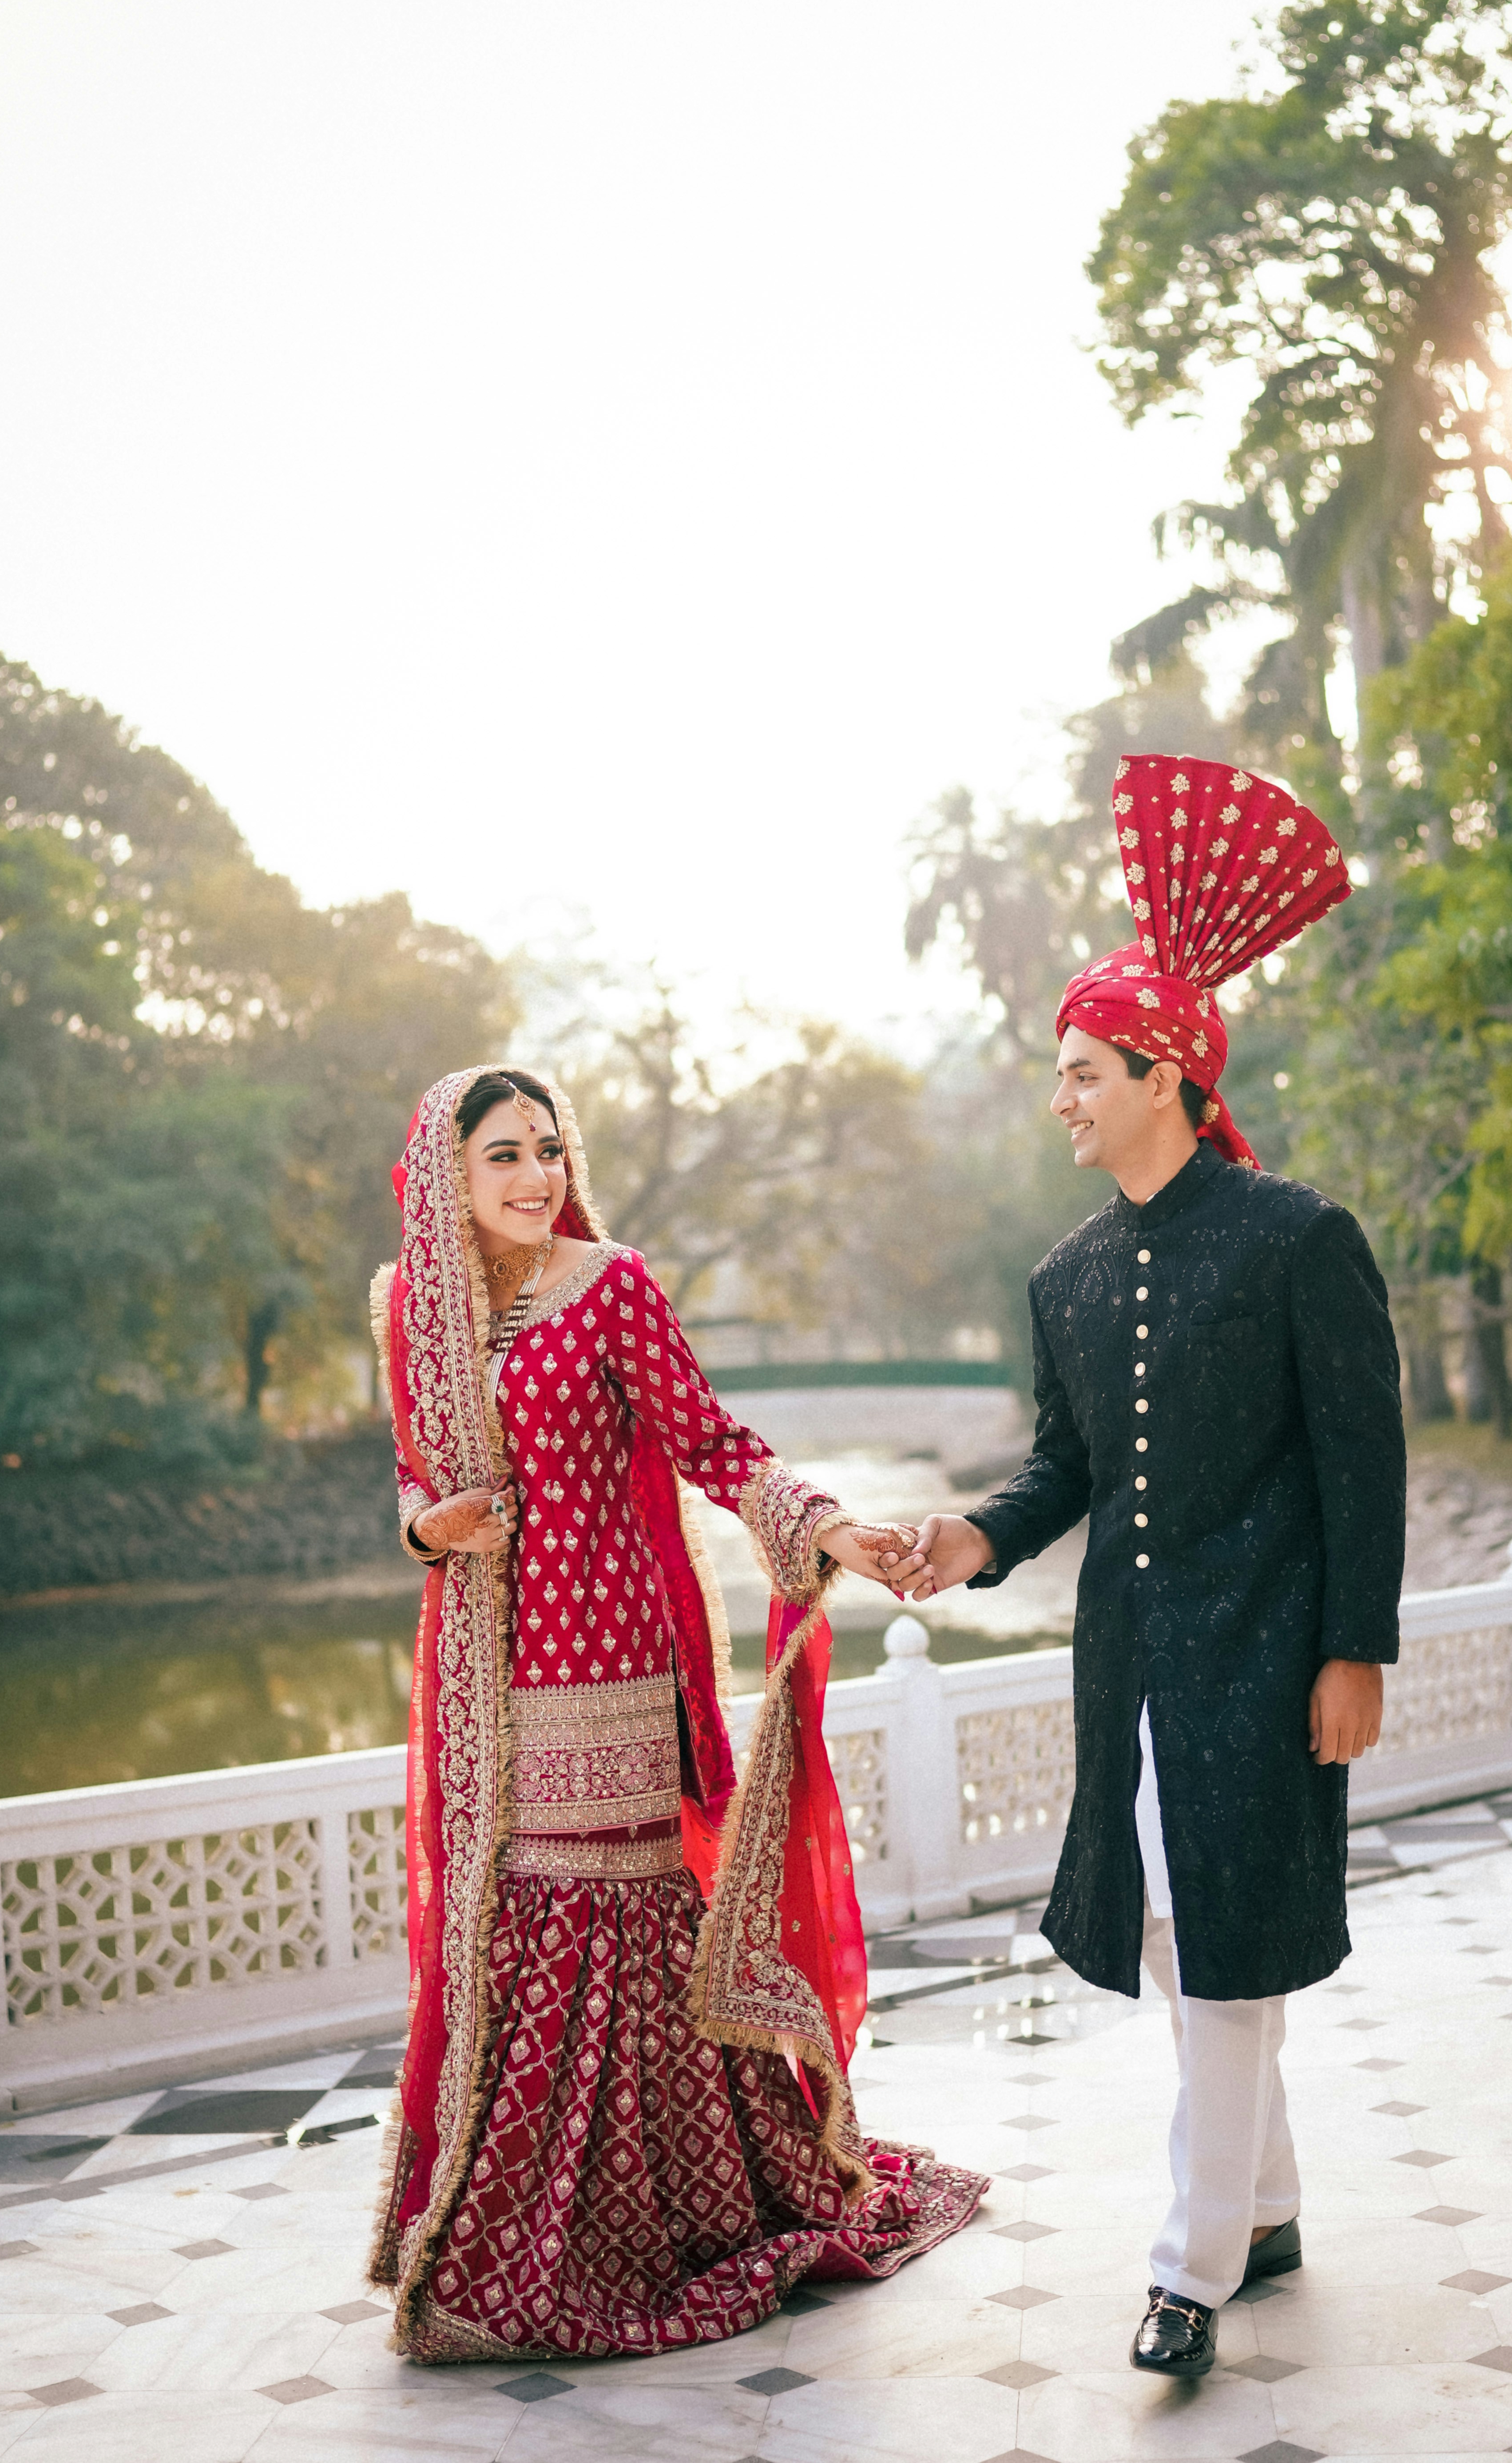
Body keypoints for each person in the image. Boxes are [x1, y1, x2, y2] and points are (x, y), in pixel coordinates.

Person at [893, 755, 1406, 2380]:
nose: (1058, 1097)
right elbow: (1068, 1467)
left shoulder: (1296, 1239)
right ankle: (1261, 2209)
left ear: (1164, 1073)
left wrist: (1355, 1649)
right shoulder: (1062, 1272)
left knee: (1225, 1933)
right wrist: (974, 1537)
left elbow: (1360, 1461)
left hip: (1269, 1653)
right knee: (1193, 1940)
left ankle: (1188, 2268)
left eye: (1079, 1070)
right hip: (1128, 1659)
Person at [367, 1062, 984, 2364]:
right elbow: (413, 1482)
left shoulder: (612, 1285)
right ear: (446, 1178)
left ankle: (642, 2226)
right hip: (489, 1680)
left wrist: (826, 1530)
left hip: (611, 1668)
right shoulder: (408, 1312)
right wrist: (435, 1527)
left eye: (548, 1149)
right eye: (504, 1157)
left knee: (611, 1926)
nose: (538, 1176)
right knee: (514, 1931)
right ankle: (503, 2233)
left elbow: (710, 1441)